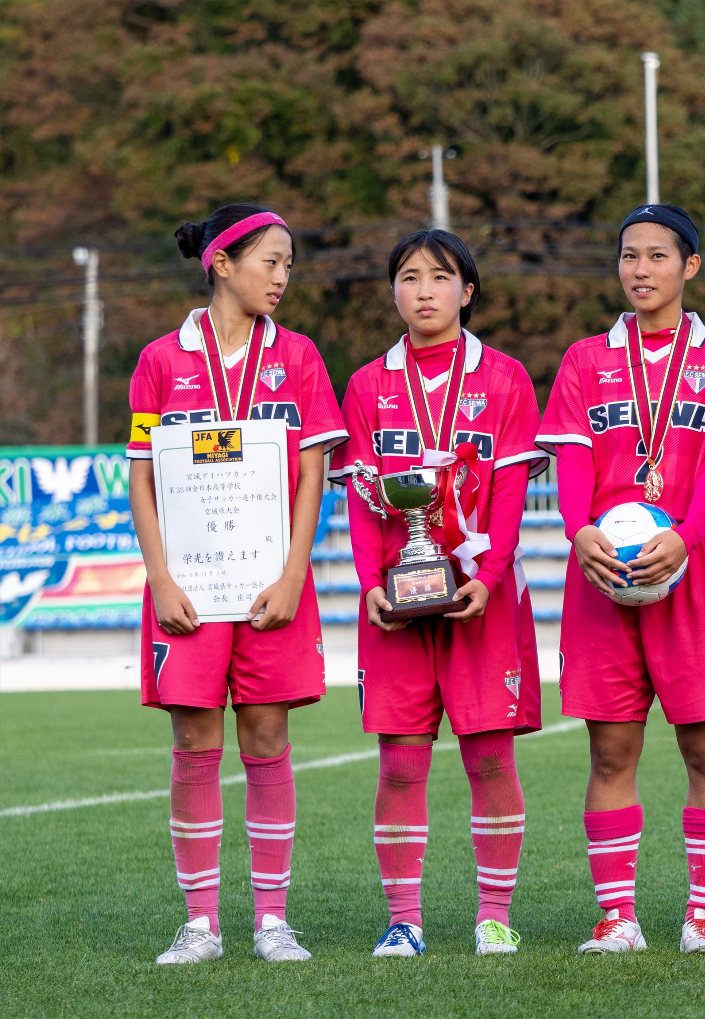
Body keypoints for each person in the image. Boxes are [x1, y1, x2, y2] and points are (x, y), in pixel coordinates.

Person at [536, 204, 705, 954]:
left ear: (689, 266)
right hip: (602, 577)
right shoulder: (584, 360)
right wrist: (580, 531)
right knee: (609, 752)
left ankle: (703, 915)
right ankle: (617, 918)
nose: (640, 269)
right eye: (629, 255)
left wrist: (686, 537)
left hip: (689, 573)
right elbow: (570, 463)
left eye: (658, 256)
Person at [127, 203, 347, 964]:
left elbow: (313, 470)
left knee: (267, 737)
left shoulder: (302, 357)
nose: (282, 277)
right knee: (194, 741)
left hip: (270, 587)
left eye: (289, 264)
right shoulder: (161, 358)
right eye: (270, 261)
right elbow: (143, 476)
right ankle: (199, 924)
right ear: (222, 262)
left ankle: (271, 921)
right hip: (187, 588)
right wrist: (159, 578)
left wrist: (294, 572)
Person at [328, 230, 547, 957]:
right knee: (399, 761)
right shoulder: (367, 384)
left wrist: (487, 579)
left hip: (483, 600)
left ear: (468, 290)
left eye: (440, 276)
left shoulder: (507, 377)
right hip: (398, 601)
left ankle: (494, 915)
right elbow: (362, 500)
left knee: (490, 757)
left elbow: (512, 492)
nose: (424, 290)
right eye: (409, 277)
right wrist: (368, 586)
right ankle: (404, 920)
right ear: (392, 291)